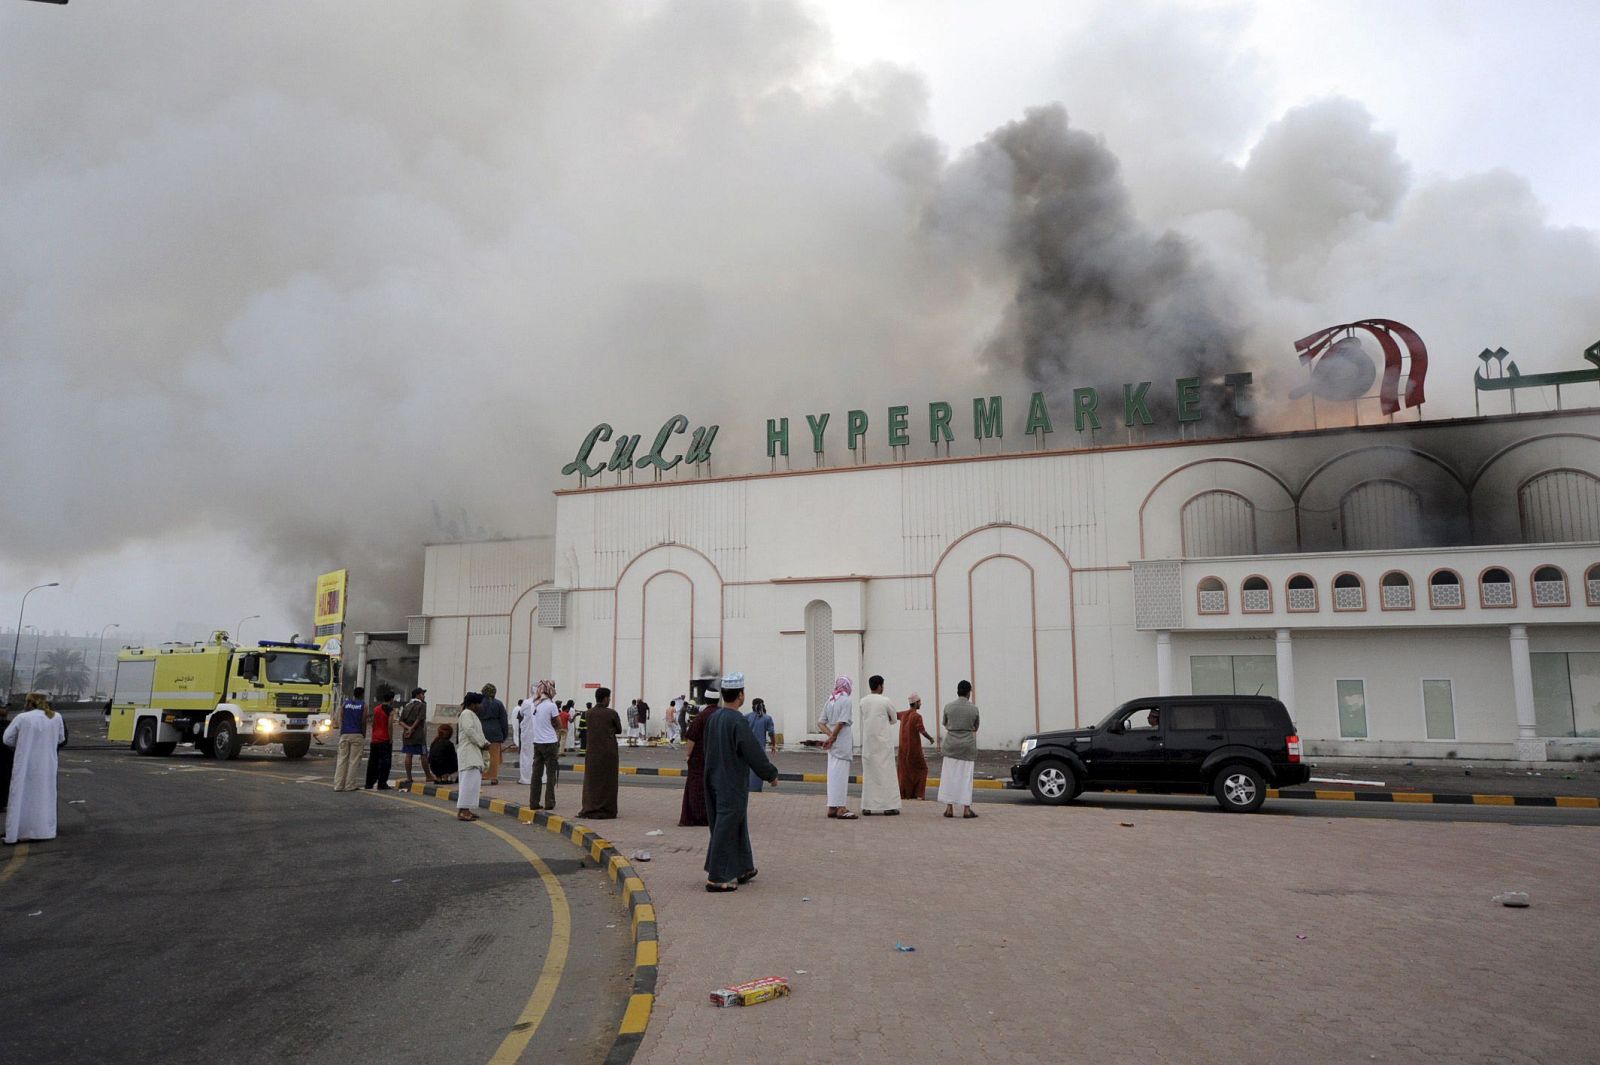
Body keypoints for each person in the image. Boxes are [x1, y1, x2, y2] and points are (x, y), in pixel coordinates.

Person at [702, 673, 780, 892]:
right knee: (726, 826)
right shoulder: (737, 720)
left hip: (714, 778)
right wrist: (770, 774)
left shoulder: (714, 718)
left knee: (735, 823)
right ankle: (716, 877)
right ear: (740, 695)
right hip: (731, 781)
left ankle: (743, 867)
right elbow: (752, 751)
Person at [4, 693, 67, 845]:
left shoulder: (22, 718)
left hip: (25, 764)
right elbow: (61, 739)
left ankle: (18, 831)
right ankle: (43, 831)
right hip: (47, 765)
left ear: (29, 703)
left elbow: (7, 739)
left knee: (21, 796)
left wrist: (22, 743)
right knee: (44, 796)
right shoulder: (56, 717)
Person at [858, 675, 901, 816]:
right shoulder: (885, 701)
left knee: (870, 775)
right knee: (887, 774)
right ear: (880, 686)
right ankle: (889, 806)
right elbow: (894, 718)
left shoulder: (863, 701)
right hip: (883, 743)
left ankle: (867, 806)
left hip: (869, 743)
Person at [578, 687, 622, 819]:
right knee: (608, 781)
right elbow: (618, 730)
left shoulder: (588, 713)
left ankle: (590, 807)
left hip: (592, 752)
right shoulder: (612, 713)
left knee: (592, 781)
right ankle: (607, 809)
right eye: (609, 698)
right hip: (608, 752)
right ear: (605, 699)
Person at [939, 680, 981, 819]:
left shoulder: (948, 707)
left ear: (957, 691)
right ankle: (966, 809)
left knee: (949, 777)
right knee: (965, 778)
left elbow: (945, 723)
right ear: (969, 692)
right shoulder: (973, 708)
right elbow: (976, 727)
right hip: (967, 747)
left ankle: (949, 808)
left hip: (951, 745)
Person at [818, 676, 856, 819]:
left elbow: (820, 722)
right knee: (841, 775)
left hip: (832, 745)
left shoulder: (830, 700)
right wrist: (833, 737)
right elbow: (841, 722)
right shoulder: (846, 700)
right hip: (841, 742)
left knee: (833, 775)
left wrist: (830, 735)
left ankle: (832, 806)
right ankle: (841, 808)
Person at [679, 697, 716, 826]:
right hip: (716, 758)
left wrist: (688, 755)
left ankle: (698, 816)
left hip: (699, 758)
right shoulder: (722, 715)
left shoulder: (701, 717)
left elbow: (692, 737)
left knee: (696, 787)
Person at [527, 680, 562, 811]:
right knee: (551, 774)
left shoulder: (534, 705)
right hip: (550, 743)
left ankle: (533, 802)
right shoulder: (551, 706)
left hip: (537, 742)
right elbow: (559, 724)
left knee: (536, 774)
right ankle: (549, 802)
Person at [455, 692, 489, 821]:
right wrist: (482, 743)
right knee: (468, 783)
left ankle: (466, 809)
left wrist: (486, 743)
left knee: (472, 783)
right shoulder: (466, 714)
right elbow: (470, 731)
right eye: (478, 704)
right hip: (469, 753)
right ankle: (463, 811)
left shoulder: (471, 715)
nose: (480, 706)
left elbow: (477, 733)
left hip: (473, 753)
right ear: (473, 704)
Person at [897, 693, 934, 800]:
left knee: (905, 772)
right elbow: (922, 730)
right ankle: (919, 794)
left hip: (903, 750)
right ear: (916, 703)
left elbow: (893, 715)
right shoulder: (917, 716)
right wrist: (931, 738)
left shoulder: (904, 714)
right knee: (923, 769)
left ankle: (905, 794)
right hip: (914, 750)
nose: (921, 704)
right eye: (919, 702)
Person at [333, 686, 368, 792]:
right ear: (362, 695)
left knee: (341, 760)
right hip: (357, 734)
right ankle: (350, 785)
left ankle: (338, 785)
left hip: (345, 734)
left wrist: (341, 731)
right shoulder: (363, 705)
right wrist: (363, 734)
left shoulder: (345, 704)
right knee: (354, 761)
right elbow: (363, 721)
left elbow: (341, 718)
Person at [399, 687, 435, 786]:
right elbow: (419, 719)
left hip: (407, 734)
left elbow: (400, 721)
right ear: (418, 695)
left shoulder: (407, 705)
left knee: (408, 754)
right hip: (418, 733)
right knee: (423, 754)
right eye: (422, 694)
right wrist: (412, 729)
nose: (424, 696)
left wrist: (408, 729)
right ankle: (428, 776)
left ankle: (409, 777)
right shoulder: (422, 705)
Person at [363, 686, 395, 790]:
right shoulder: (390, 710)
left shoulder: (376, 708)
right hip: (384, 739)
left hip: (375, 738)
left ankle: (369, 783)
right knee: (385, 762)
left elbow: (372, 723)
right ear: (391, 699)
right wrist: (390, 738)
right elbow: (390, 725)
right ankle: (382, 783)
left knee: (373, 762)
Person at [744, 697, 777, 791]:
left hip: (747, 749)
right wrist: (773, 745)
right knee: (758, 770)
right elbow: (771, 733)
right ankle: (756, 789)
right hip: (759, 750)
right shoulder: (767, 718)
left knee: (747, 769)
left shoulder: (746, 717)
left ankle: (748, 788)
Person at [478, 683, 508, 785]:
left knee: (481, 754)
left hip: (481, 730)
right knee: (494, 756)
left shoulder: (478, 703)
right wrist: (504, 735)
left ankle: (481, 775)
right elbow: (504, 720)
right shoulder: (498, 704)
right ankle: (493, 778)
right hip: (495, 731)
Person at [515, 685, 538, 787]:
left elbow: (520, 714)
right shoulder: (545, 702)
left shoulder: (526, 702)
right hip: (539, 734)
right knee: (539, 757)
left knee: (526, 756)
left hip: (528, 734)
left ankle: (526, 778)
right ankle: (541, 778)